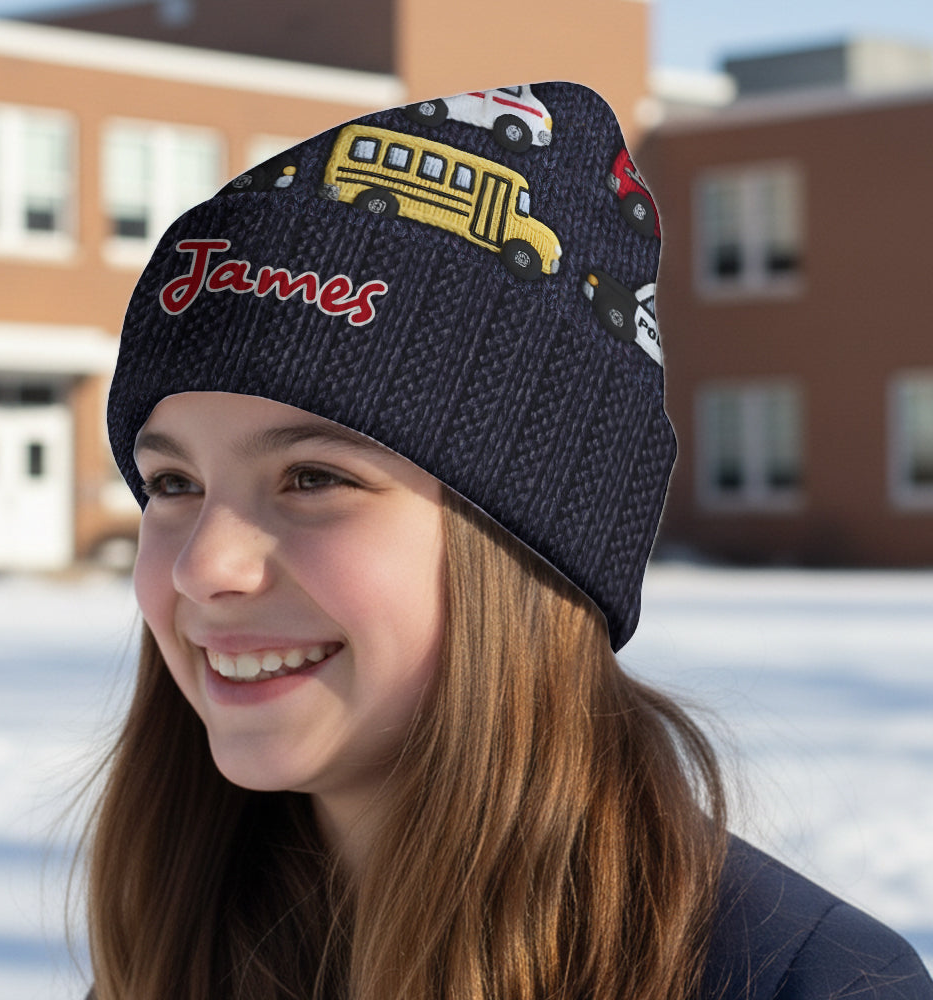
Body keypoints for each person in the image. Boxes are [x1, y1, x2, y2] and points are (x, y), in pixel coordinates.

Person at [93, 82, 932, 1000]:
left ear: (528, 545)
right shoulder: (179, 946)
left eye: (315, 478)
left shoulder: (807, 984)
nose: (204, 565)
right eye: (173, 483)